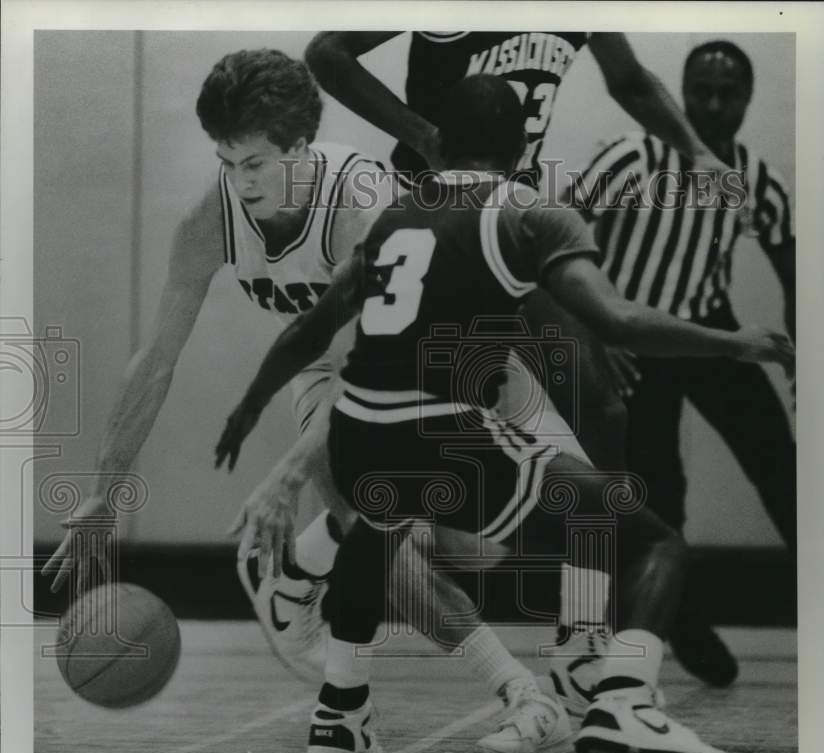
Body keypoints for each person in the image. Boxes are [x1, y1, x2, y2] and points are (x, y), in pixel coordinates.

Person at [227, 74, 792, 753]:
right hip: (445, 436)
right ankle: (623, 697)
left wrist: (249, 406)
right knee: (652, 543)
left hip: (359, 433)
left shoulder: (396, 216)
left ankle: (340, 717)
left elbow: (310, 330)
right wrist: (737, 344)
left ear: (438, 145)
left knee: (381, 522)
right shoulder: (527, 209)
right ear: (522, 144)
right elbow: (618, 320)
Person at [40, 48, 502, 703]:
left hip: (425, 362)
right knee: (372, 508)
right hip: (328, 370)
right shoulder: (212, 221)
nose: (240, 181)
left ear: (302, 147)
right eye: (226, 161)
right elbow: (156, 360)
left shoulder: (362, 207)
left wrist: (287, 475)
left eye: (255, 163)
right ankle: (517, 690)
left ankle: (292, 567)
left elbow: (385, 369)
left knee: (478, 551)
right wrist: (103, 491)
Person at [304, 29, 737, 689]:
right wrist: (424, 133)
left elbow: (630, 82)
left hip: (503, 215)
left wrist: (696, 149)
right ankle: (316, 583)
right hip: (434, 214)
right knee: (398, 463)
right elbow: (327, 53)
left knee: (600, 410)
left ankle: (582, 640)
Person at [567, 40, 796, 685]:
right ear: (680, 91)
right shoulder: (630, 156)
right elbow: (559, 242)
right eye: (702, 91)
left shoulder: (755, 178)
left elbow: (791, 262)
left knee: (781, 464)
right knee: (661, 493)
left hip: (706, 326)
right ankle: (684, 622)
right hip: (633, 336)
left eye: (730, 93)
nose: (715, 104)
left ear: (749, 98)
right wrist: (598, 327)